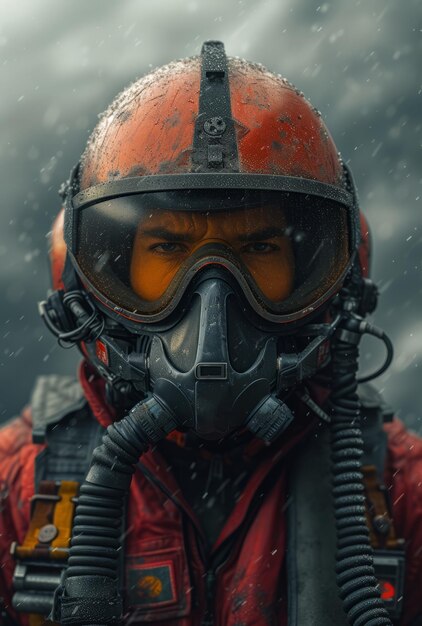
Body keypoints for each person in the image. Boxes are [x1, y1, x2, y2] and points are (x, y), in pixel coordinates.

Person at [0, 40, 421, 626]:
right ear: (100, 271)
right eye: (169, 247)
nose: (214, 298)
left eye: (258, 246)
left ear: (329, 276)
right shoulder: (18, 485)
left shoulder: (403, 486)